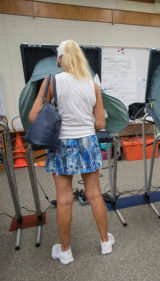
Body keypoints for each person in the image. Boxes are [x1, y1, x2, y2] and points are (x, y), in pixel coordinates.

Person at [29, 40, 114, 264]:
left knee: (64, 199)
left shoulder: (51, 81)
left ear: (59, 59)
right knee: (94, 194)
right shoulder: (92, 83)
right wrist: (84, 124)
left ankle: (65, 251)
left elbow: (32, 116)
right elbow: (100, 122)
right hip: (88, 142)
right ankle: (105, 242)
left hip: (62, 144)